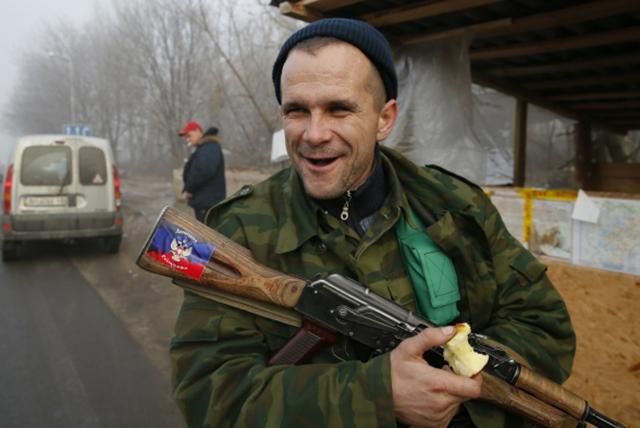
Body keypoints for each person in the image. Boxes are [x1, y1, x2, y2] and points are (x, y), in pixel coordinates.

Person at [170, 18, 575, 428]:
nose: (314, 134)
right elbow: (210, 396)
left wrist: (459, 395)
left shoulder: (454, 205)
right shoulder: (235, 230)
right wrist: (376, 395)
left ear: (385, 119)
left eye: (338, 108)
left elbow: (545, 327)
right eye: (297, 111)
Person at [178, 120, 226, 222]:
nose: (188, 139)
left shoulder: (209, 147)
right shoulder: (204, 148)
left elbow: (204, 170)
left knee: (208, 235)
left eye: (189, 135)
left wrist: (189, 189)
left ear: (197, 131)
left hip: (208, 204)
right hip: (205, 203)